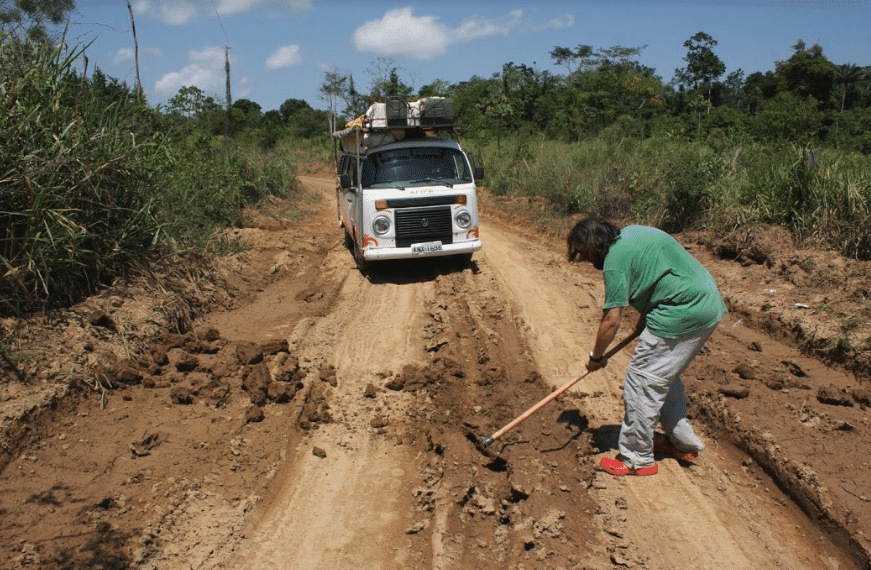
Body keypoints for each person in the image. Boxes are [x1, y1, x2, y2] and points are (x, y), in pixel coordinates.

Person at [567, 218, 727, 476]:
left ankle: (636, 459)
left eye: (583, 253)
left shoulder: (614, 264)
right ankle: (681, 443)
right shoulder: (634, 233)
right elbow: (660, 273)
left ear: (594, 246)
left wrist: (596, 357)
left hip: (682, 309)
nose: (585, 260)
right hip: (706, 302)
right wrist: (644, 319)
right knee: (662, 377)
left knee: (642, 380)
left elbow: (611, 320)